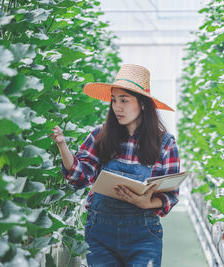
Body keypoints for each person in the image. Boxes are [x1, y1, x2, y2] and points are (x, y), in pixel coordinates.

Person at [49, 64, 180, 267]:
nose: (117, 107)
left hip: (143, 234)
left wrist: (146, 203)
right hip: (100, 233)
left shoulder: (165, 143)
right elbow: (79, 176)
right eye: (114, 100)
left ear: (143, 104)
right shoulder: (99, 135)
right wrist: (62, 145)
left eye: (124, 100)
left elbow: (171, 194)